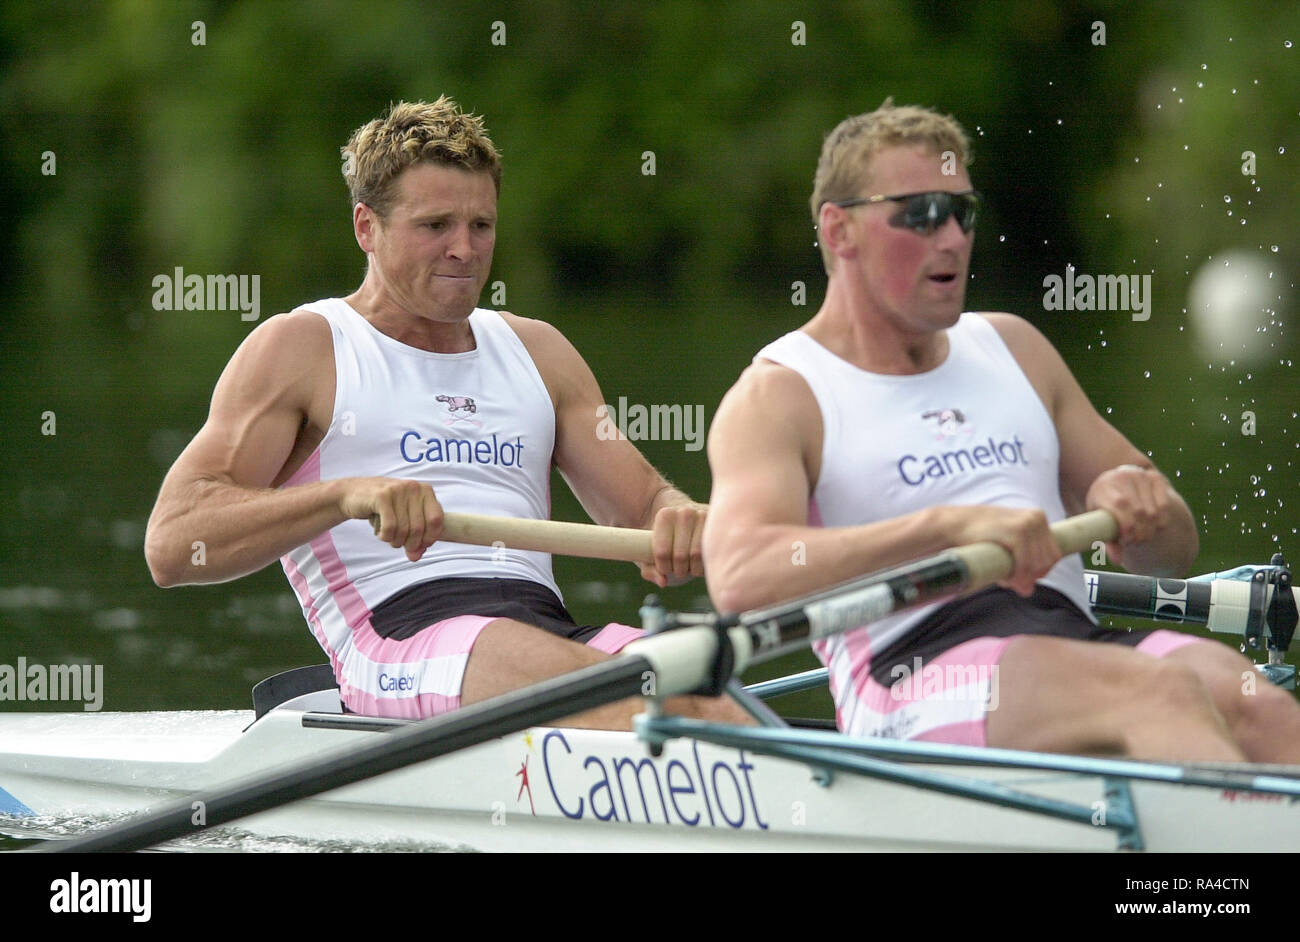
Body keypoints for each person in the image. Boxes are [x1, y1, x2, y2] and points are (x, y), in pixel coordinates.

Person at [702, 99, 1300, 763]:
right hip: (914, 670)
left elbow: (1171, 558)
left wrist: (1145, 512)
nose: (953, 237)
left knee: (1262, 708)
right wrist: (948, 529)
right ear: (839, 230)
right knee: (1161, 694)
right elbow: (738, 575)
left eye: (962, 212)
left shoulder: (1013, 347)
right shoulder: (780, 395)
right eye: (922, 214)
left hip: (1071, 640)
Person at [144, 97, 745, 728]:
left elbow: (642, 508)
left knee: (698, 684)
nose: (465, 249)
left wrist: (676, 519)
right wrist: (346, 496)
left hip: (547, 631)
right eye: (435, 226)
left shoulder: (538, 350)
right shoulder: (303, 348)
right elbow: (173, 544)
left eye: (481, 226)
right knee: (607, 688)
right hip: (396, 640)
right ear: (365, 229)